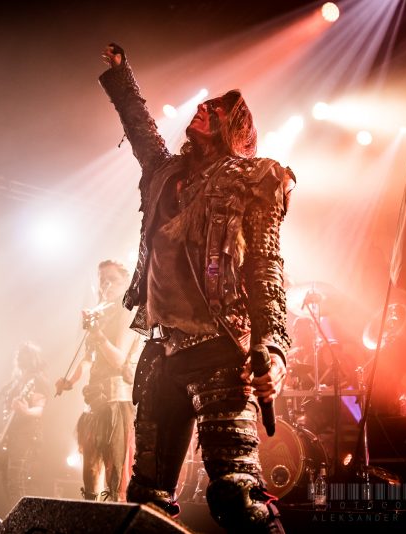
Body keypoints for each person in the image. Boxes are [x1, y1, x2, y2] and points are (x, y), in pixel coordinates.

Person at [98, 43, 295, 533]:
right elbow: (141, 131)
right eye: (203, 104)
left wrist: (273, 347)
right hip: (162, 352)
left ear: (235, 126)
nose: (203, 108)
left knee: (236, 495)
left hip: (222, 352)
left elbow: (265, 265)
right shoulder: (165, 174)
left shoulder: (255, 177)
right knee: (144, 500)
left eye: (217, 108)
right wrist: (122, 77)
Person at [55, 259, 142, 502]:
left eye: (112, 279)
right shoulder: (101, 314)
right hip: (94, 401)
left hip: (116, 403)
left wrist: (97, 332)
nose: (106, 285)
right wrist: (69, 381)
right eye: (102, 280)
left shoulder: (128, 313)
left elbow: (118, 359)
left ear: (125, 283)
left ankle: (114, 514)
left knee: (114, 474)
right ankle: (90, 514)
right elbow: (88, 359)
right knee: (90, 470)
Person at [0, 341, 50, 509]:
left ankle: (22, 520)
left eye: (22, 355)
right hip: (10, 437)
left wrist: (25, 411)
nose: (18, 357)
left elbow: (39, 409)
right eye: (18, 355)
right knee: (8, 482)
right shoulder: (16, 381)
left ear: (30, 358)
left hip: (25, 436)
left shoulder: (37, 380)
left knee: (17, 482)